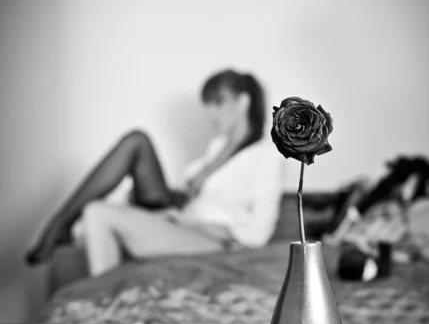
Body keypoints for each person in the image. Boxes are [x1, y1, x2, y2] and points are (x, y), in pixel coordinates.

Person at [26, 69, 284, 276]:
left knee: (97, 213)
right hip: (179, 216)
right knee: (135, 142)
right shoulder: (218, 147)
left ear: (242, 102)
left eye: (218, 103)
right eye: (207, 104)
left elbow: (256, 236)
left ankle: (59, 228)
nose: (209, 113)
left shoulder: (266, 157)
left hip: (210, 240)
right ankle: (62, 227)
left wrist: (186, 222)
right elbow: (199, 197)